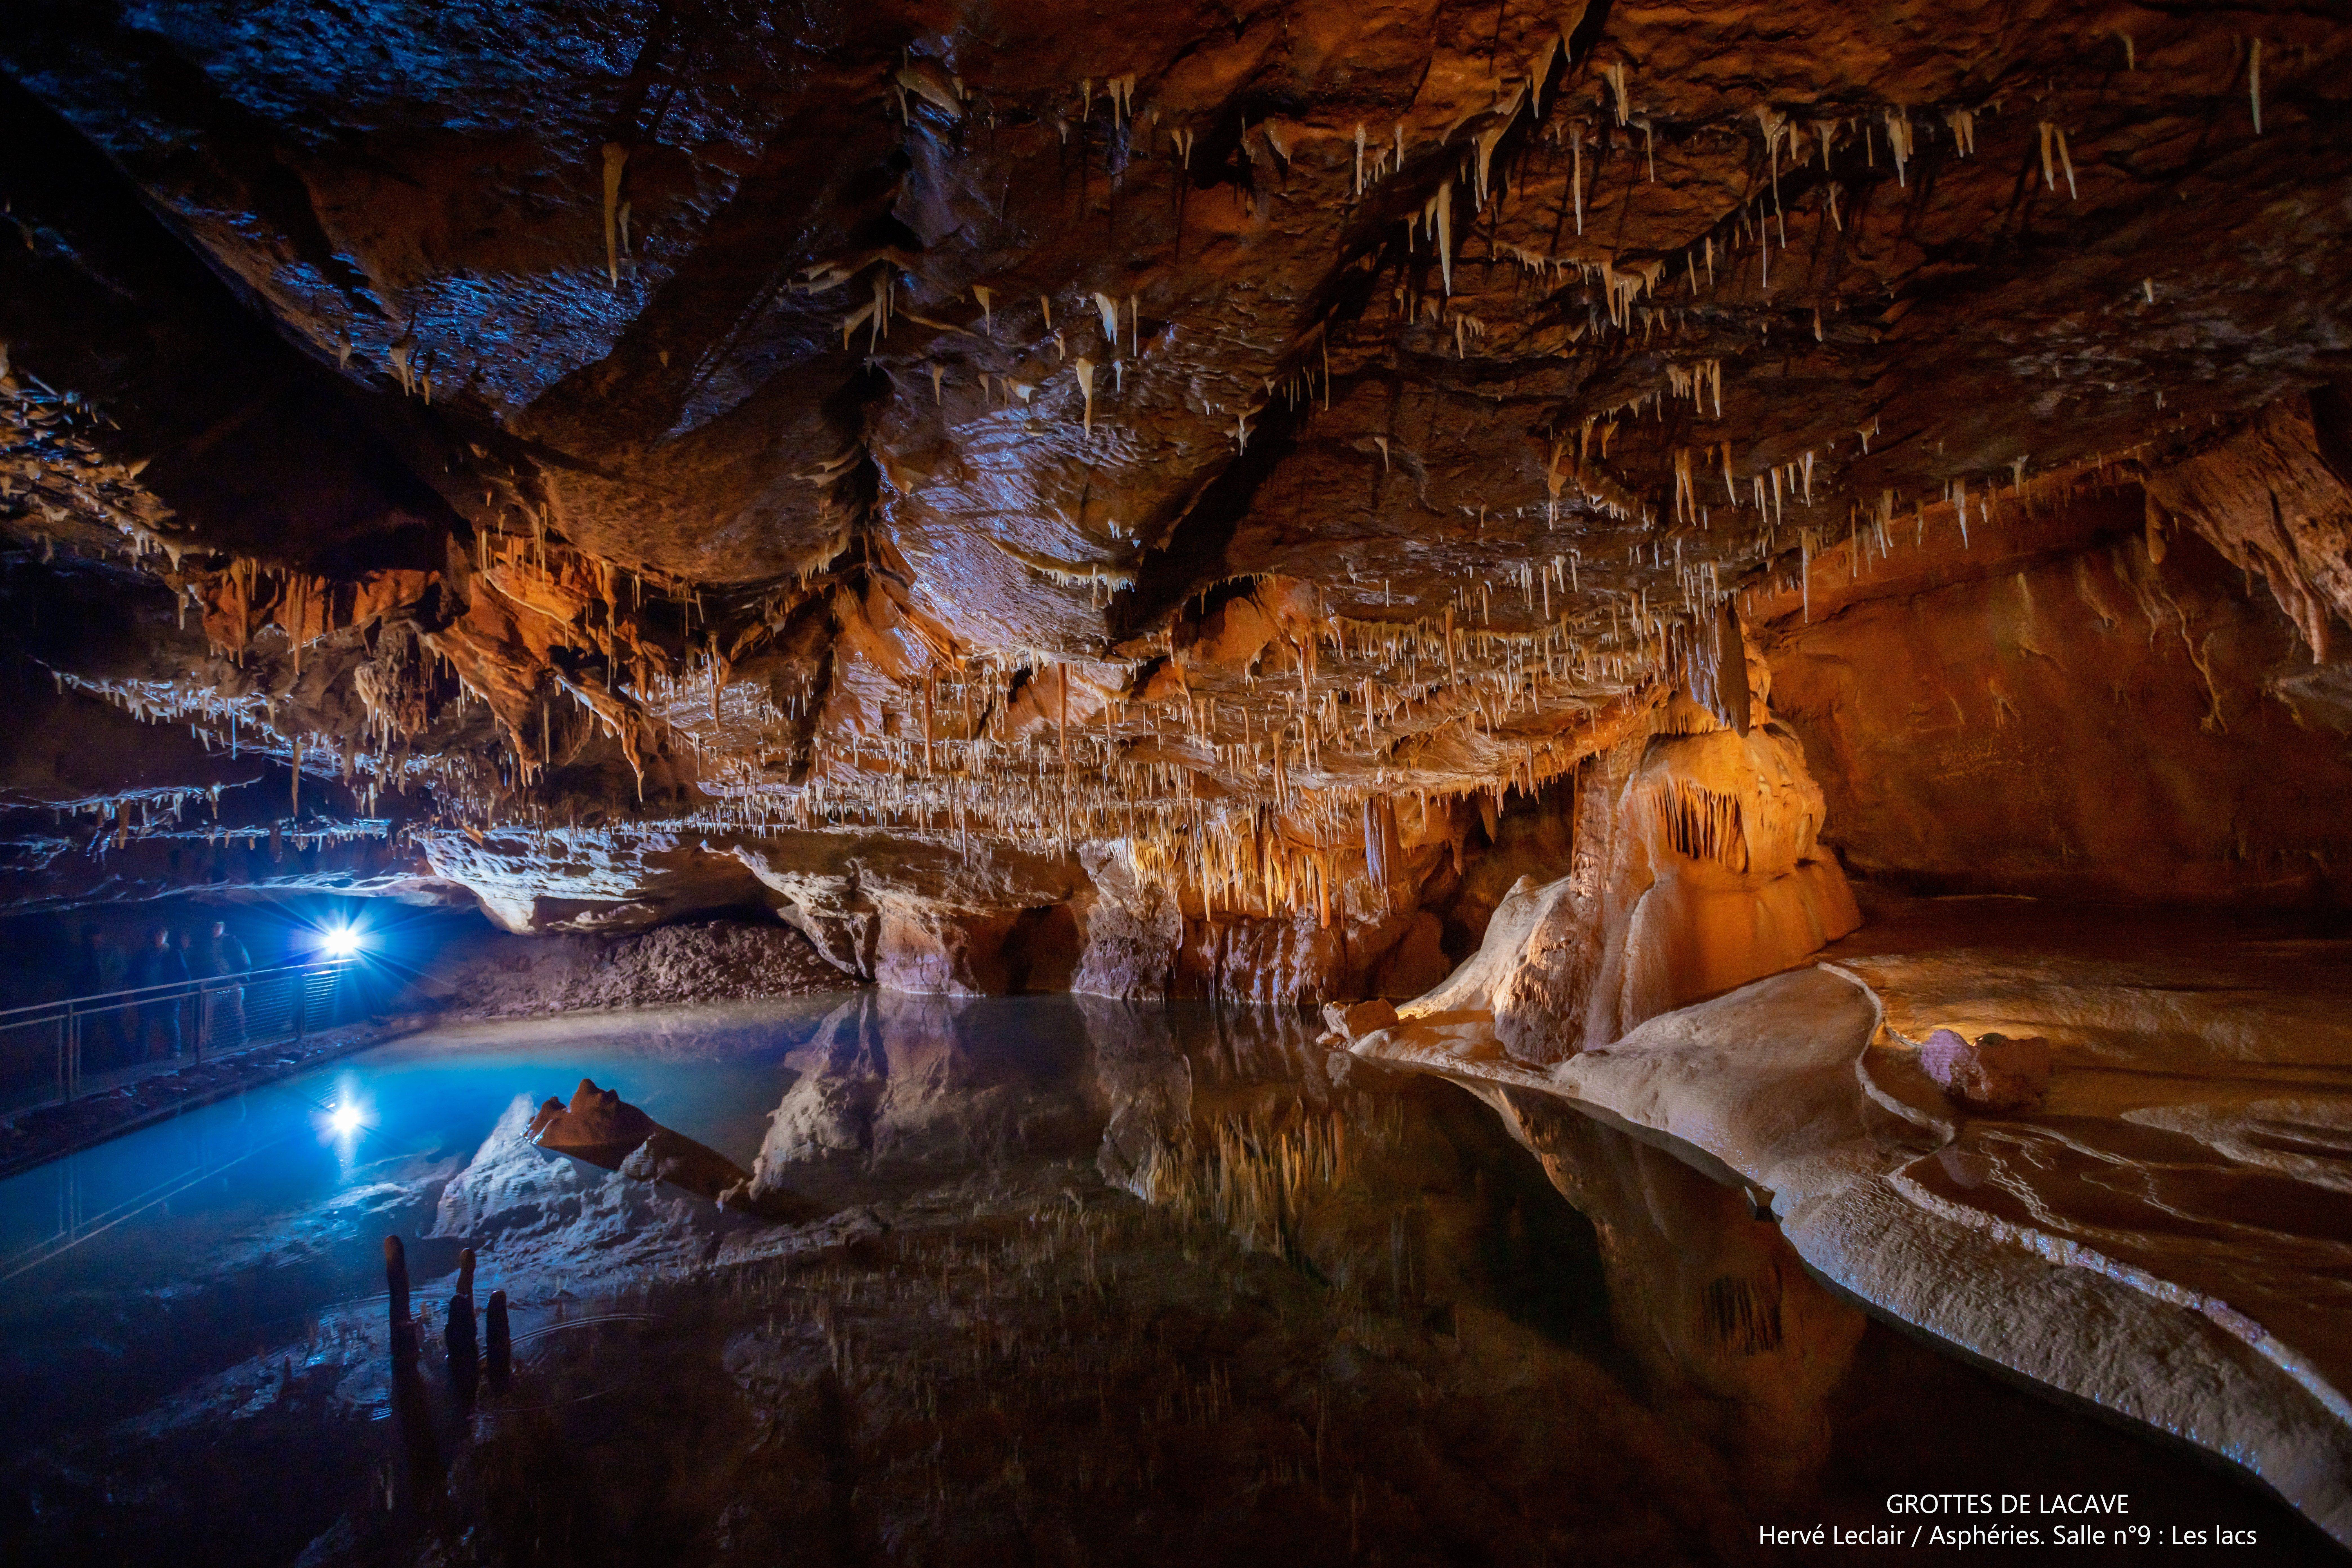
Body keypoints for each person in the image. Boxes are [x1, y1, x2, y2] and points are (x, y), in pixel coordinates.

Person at [131, 925, 190, 1059]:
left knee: (170, 1022)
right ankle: (141, 1054)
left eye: (160, 936)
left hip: (168, 995)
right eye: (155, 936)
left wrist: (184, 991)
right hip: (148, 995)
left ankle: (175, 1049)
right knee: (144, 1025)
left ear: (165, 937)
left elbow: (184, 974)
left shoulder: (174, 953)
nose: (157, 939)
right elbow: (135, 974)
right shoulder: (143, 955)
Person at [196, 919, 252, 1049]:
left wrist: (239, 978)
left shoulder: (232, 942)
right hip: (214, 984)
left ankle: (242, 1035)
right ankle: (208, 1040)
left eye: (217, 927)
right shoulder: (206, 944)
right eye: (212, 927)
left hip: (231, 982)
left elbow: (244, 962)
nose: (214, 930)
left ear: (223, 927)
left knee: (237, 1009)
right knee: (208, 1010)